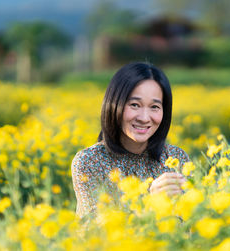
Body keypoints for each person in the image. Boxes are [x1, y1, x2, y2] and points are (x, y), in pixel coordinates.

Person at [71, 62, 190, 217]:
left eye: (154, 107)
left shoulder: (175, 159)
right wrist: (150, 203)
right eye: (134, 105)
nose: (144, 118)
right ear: (114, 105)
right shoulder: (89, 162)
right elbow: (91, 231)